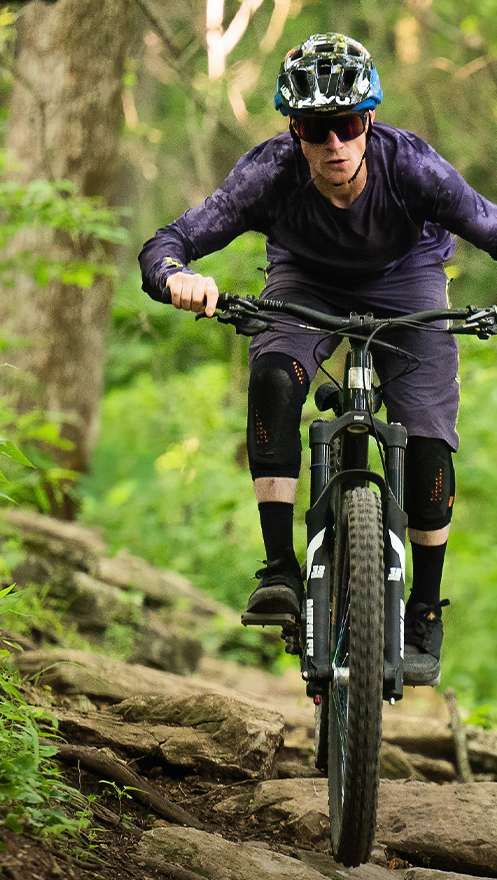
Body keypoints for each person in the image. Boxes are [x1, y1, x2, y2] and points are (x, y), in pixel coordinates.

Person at [139, 32, 497, 685]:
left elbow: (491, 227)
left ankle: (422, 606)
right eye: (314, 127)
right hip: (303, 283)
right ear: (293, 130)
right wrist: (175, 276)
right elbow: (171, 241)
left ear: (368, 121)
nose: (334, 144)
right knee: (275, 377)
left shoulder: (412, 169)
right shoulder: (269, 174)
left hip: (407, 278)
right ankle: (278, 571)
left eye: (349, 124)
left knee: (425, 441)